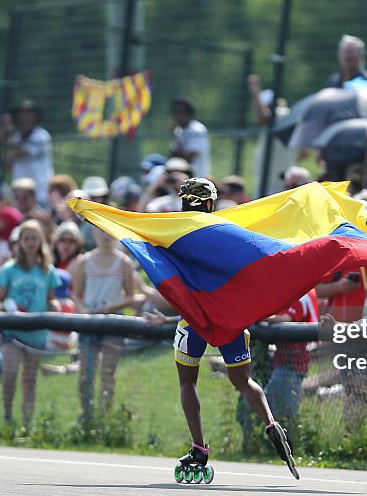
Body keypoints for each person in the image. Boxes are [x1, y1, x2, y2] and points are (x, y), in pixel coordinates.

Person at [143, 177, 298, 479]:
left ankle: (198, 447)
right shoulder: (228, 231)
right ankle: (270, 422)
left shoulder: (171, 231)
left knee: (188, 382)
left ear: (183, 203)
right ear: (211, 204)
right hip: (228, 317)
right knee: (243, 381)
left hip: (193, 317)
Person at [70, 226, 137, 422]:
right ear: (94, 234)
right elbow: (75, 293)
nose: (106, 235)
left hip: (113, 321)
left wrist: (109, 308)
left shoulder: (124, 262)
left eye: (108, 230)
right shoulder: (85, 261)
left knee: (108, 372)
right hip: (89, 321)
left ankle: (105, 417)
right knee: (85, 374)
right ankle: (87, 416)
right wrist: (83, 310)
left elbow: (131, 297)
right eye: (101, 231)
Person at [0, 220, 60, 425]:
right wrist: (7, 306)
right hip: (12, 332)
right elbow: (0, 299)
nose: (31, 243)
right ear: (20, 242)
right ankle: (7, 416)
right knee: (10, 373)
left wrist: (55, 305)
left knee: (30, 379)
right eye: (26, 238)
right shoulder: (8, 269)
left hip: (37, 332)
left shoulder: (48, 270)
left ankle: (27, 422)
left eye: (34, 238)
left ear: (40, 241)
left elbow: (50, 298)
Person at [264, 289, 319, 431]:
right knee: (276, 401)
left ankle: (291, 437)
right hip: (283, 358)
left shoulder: (302, 293)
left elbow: (285, 319)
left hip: (294, 361)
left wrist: (257, 317)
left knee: (283, 405)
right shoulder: (288, 291)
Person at [0, 101, 53, 206]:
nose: (24, 120)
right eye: (21, 117)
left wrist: (9, 138)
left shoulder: (41, 135)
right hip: (19, 195)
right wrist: (4, 132)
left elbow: (24, 152)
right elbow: (8, 165)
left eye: (28, 116)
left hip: (40, 194)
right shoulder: (17, 137)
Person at [169, 97, 210, 177]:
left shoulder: (197, 130)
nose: (176, 116)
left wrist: (176, 138)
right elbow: (172, 158)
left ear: (189, 113)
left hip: (198, 178)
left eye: (180, 112)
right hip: (181, 180)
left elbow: (187, 160)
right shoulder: (179, 131)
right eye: (174, 113)